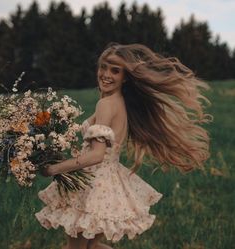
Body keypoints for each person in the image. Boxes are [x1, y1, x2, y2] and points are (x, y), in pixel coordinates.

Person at [35, 43, 211, 249]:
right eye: (103, 67)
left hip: (92, 184)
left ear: (125, 77)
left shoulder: (106, 104)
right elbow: (80, 130)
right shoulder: (118, 102)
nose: (106, 74)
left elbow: (96, 155)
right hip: (107, 184)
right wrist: (43, 131)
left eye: (115, 70)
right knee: (91, 247)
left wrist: (54, 169)